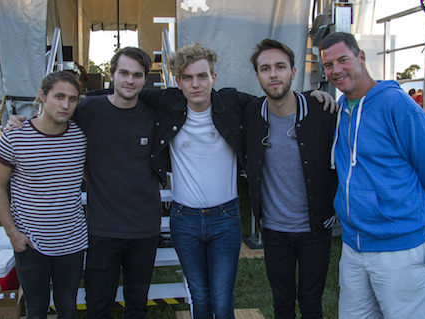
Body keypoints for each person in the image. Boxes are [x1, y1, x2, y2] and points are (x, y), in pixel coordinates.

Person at [139, 43, 336, 319]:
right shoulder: (167, 104)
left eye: (202, 76)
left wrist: (310, 97)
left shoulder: (231, 103)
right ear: (177, 81)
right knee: (199, 296)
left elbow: (276, 97)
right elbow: (128, 93)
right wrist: (86, 97)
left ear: (214, 78)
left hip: (225, 218)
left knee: (222, 299)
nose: (196, 84)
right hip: (184, 219)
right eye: (187, 78)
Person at [7, 47, 162, 319]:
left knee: (137, 304)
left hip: (145, 228)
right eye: (123, 72)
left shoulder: (154, 114)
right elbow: (53, 117)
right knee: (97, 305)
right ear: (112, 75)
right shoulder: (87, 109)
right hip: (102, 229)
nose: (129, 80)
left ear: (144, 79)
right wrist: (22, 122)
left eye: (137, 75)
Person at [319, 32, 425, 319]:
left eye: (343, 60)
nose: (336, 70)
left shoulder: (396, 105)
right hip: (354, 246)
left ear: (361, 57)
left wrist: (413, 215)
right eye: (329, 65)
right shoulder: (342, 109)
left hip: (400, 248)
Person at [243, 39, 337, 319]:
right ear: (258, 76)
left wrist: (321, 95)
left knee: (311, 303)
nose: (273, 74)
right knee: (282, 303)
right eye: (265, 68)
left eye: (280, 67)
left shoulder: (322, 111)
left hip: (316, 229)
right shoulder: (250, 114)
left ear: (293, 72)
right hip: (274, 231)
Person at [0, 71, 88, 318]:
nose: (65, 105)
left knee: (68, 307)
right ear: (42, 96)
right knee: (36, 309)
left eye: (73, 99)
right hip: (31, 242)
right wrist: (14, 234)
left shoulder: (82, 137)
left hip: (71, 241)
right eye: (59, 96)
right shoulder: (15, 135)